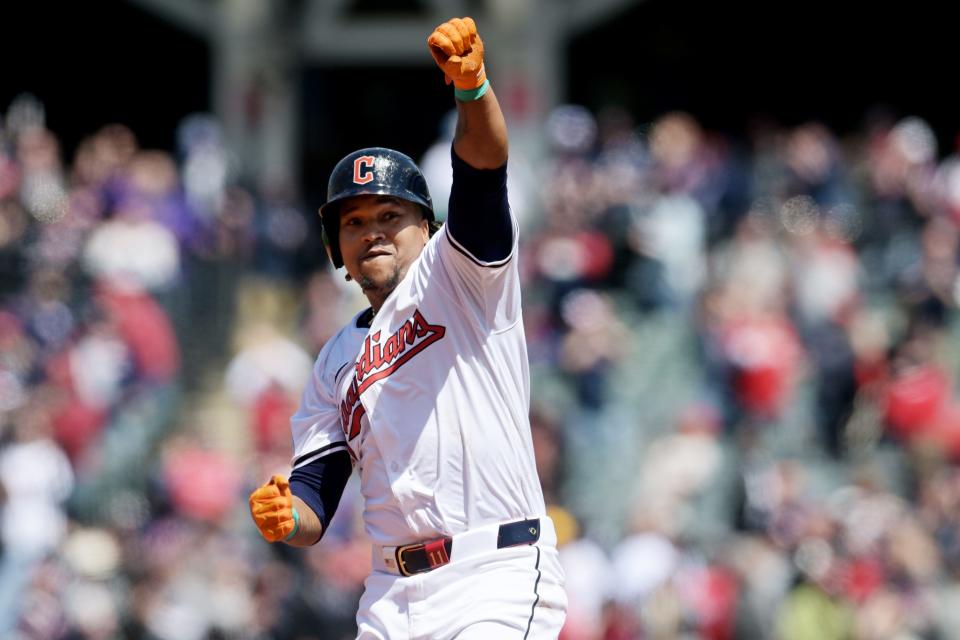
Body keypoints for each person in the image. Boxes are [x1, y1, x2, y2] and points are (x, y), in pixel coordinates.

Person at [248, 16, 567, 639]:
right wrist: (290, 516)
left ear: (427, 225)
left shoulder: (463, 277)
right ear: (336, 247)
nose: (371, 230)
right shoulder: (334, 361)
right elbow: (318, 489)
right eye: (354, 221)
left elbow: (482, 170)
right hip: (390, 596)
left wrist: (472, 90)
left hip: (493, 576)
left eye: (390, 215)